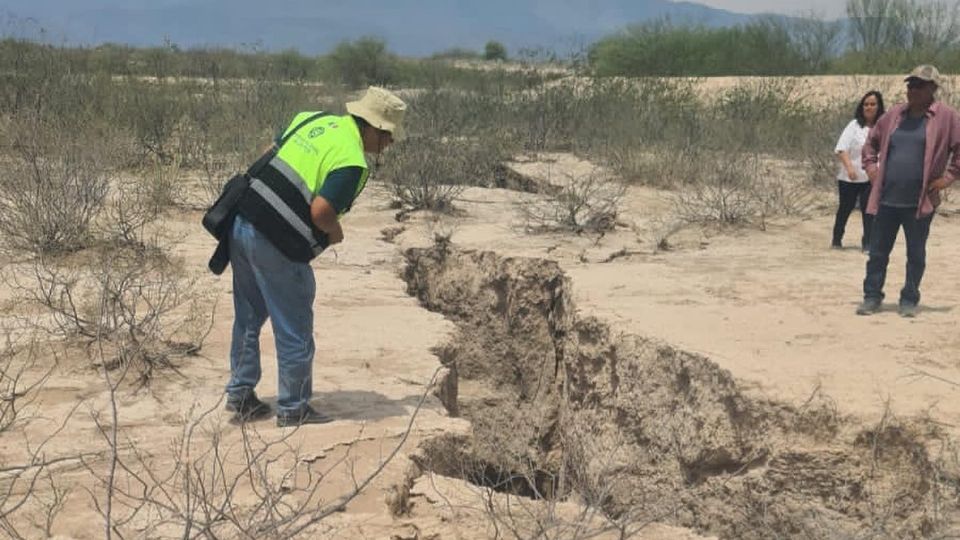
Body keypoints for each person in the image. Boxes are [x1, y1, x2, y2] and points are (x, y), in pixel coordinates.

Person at [225, 87, 406, 425]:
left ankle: (240, 395)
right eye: (389, 136)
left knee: (248, 315)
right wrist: (335, 234)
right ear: (372, 128)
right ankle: (294, 408)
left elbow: (269, 153)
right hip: (277, 243)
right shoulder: (352, 160)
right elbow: (322, 211)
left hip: (242, 221)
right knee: (294, 325)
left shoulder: (310, 119)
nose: (389, 144)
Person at [857, 65, 960, 317]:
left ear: (932, 89)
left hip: (920, 202)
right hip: (887, 199)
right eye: (910, 85)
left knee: (915, 254)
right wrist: (871, 170)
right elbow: (870, 145)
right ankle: (872, 296)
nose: (912, 90)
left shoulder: (946, 117)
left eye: (919, 85)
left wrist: (947, 179)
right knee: (878, 252)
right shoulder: (893, 115)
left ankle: (909, 299)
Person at [832, 90, 884, 251]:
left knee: (869, 211)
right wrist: (849, 168)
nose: (869, 107)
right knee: (845, 208)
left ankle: (867, 242)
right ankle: (837, 239)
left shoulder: (883, 126)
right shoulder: (854, 125)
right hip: (850, 177)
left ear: (879, 106)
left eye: (873, 104)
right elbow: (841, 149)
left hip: (871, 177)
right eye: (866, 104)